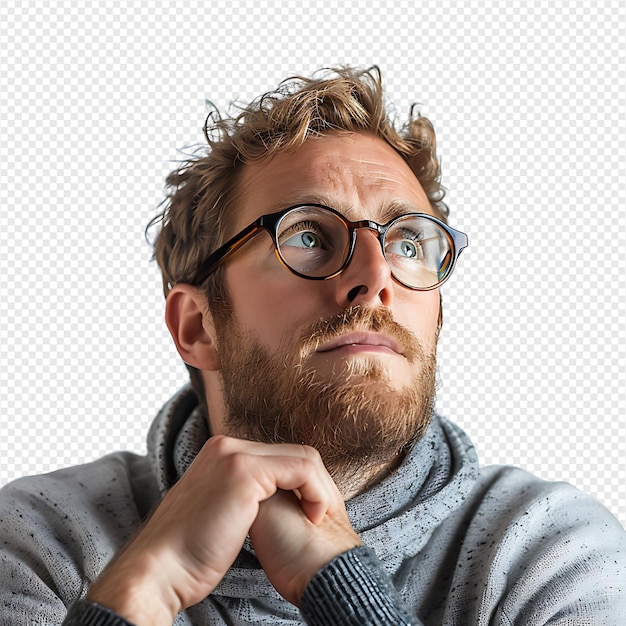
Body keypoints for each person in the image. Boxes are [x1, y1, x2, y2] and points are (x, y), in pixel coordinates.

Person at [1, 66, 624, 626]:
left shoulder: (548, 552)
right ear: (197, 325)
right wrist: (137, 594)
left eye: (408, 243)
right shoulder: (41, 543)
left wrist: (339, 588)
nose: (376, 277)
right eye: (307, 236)